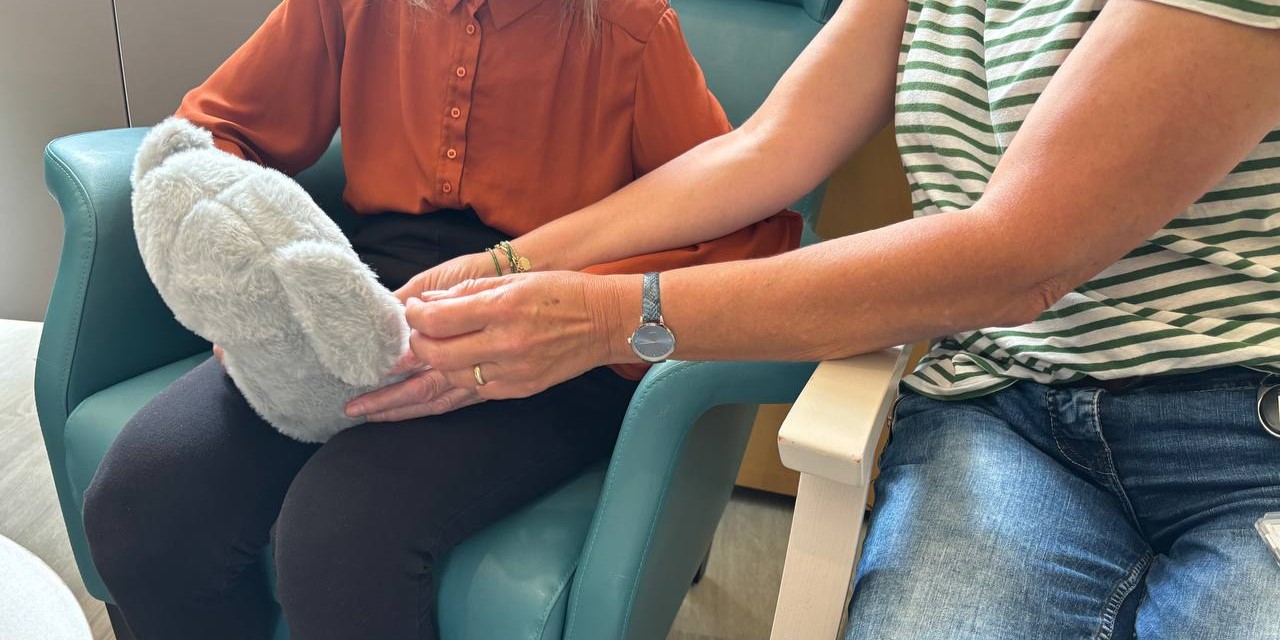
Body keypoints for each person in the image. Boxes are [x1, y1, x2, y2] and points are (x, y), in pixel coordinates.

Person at [354, 0, 1280, 636]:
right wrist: (514, 263)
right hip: (1004, 415)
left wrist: (602, 320)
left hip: (1245, 434)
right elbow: (767, 148)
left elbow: (1018, 257)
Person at [79, 0, 801, 637]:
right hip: (368, 295)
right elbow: (214, 134)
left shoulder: (631, 31)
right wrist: (242, 272)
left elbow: (745, 238)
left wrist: (583, 310)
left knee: (340, 541)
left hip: (552, 344)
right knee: (140, 506)